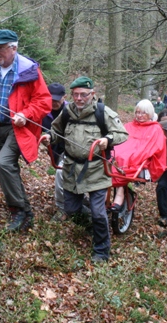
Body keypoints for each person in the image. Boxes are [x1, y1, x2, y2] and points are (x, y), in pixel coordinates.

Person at [0, 29, 51, 232]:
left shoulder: (28, 70)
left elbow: (44, 101)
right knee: (7, 169)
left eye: (0, 48)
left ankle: (20, 211)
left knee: (3, 164)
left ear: (13, 48)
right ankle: (23, 212)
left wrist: (26, 113)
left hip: (18, 128)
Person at [41, 76, 128, 262]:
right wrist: (49, 138)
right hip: (72, 169)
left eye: (83, 95)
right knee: (71, 209)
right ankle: (94, 226)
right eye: (76, 95)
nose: (79, 98)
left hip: (97, 168)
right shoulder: (67, 112)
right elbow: (56, 131)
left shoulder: (103, 112)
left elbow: (122, 134)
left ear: (92, 94)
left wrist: (108, 140)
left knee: (98, 212)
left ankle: (101, 250)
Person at [110, 99, 166, 210]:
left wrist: (137, 152)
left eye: (143, 113)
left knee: (125, 158)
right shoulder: (129, 125)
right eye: (137, 112)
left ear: (149, 113)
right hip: (125, 150)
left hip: (140, 154)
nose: (139, 115)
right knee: (112, 154)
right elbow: (121, 140)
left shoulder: (155, 128)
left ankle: (120, 193)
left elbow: (153, 147)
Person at [41, 82, 68, 217]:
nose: (54, 102)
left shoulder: (71, 111)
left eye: (57, 100)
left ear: (64, 97)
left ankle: (62, 207)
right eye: (51, 99)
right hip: (53, 147)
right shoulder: (42, 110)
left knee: (61, 172)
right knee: (62, 173)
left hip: (69, 148)